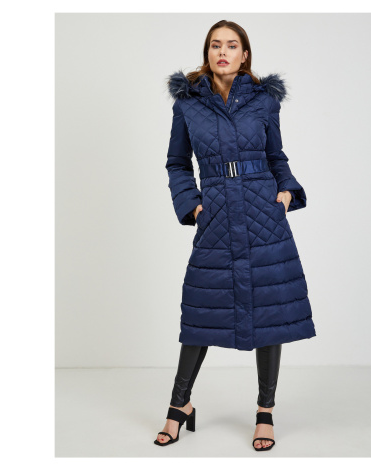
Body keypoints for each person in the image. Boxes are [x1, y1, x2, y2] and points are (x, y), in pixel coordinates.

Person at [155, 20, 317, 451]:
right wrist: (192, 204)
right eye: (215, 45)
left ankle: (265, 411)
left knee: (270, 310)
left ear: (245, 55)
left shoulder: (265, 101)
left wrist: (286, 192)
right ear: (207, 53)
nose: (222, 52)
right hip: (218, 215)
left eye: (231, 45)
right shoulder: (188, 104)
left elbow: (276, 155)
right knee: (201, 311)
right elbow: (176, 162)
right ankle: (179, 404)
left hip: (264, 214)